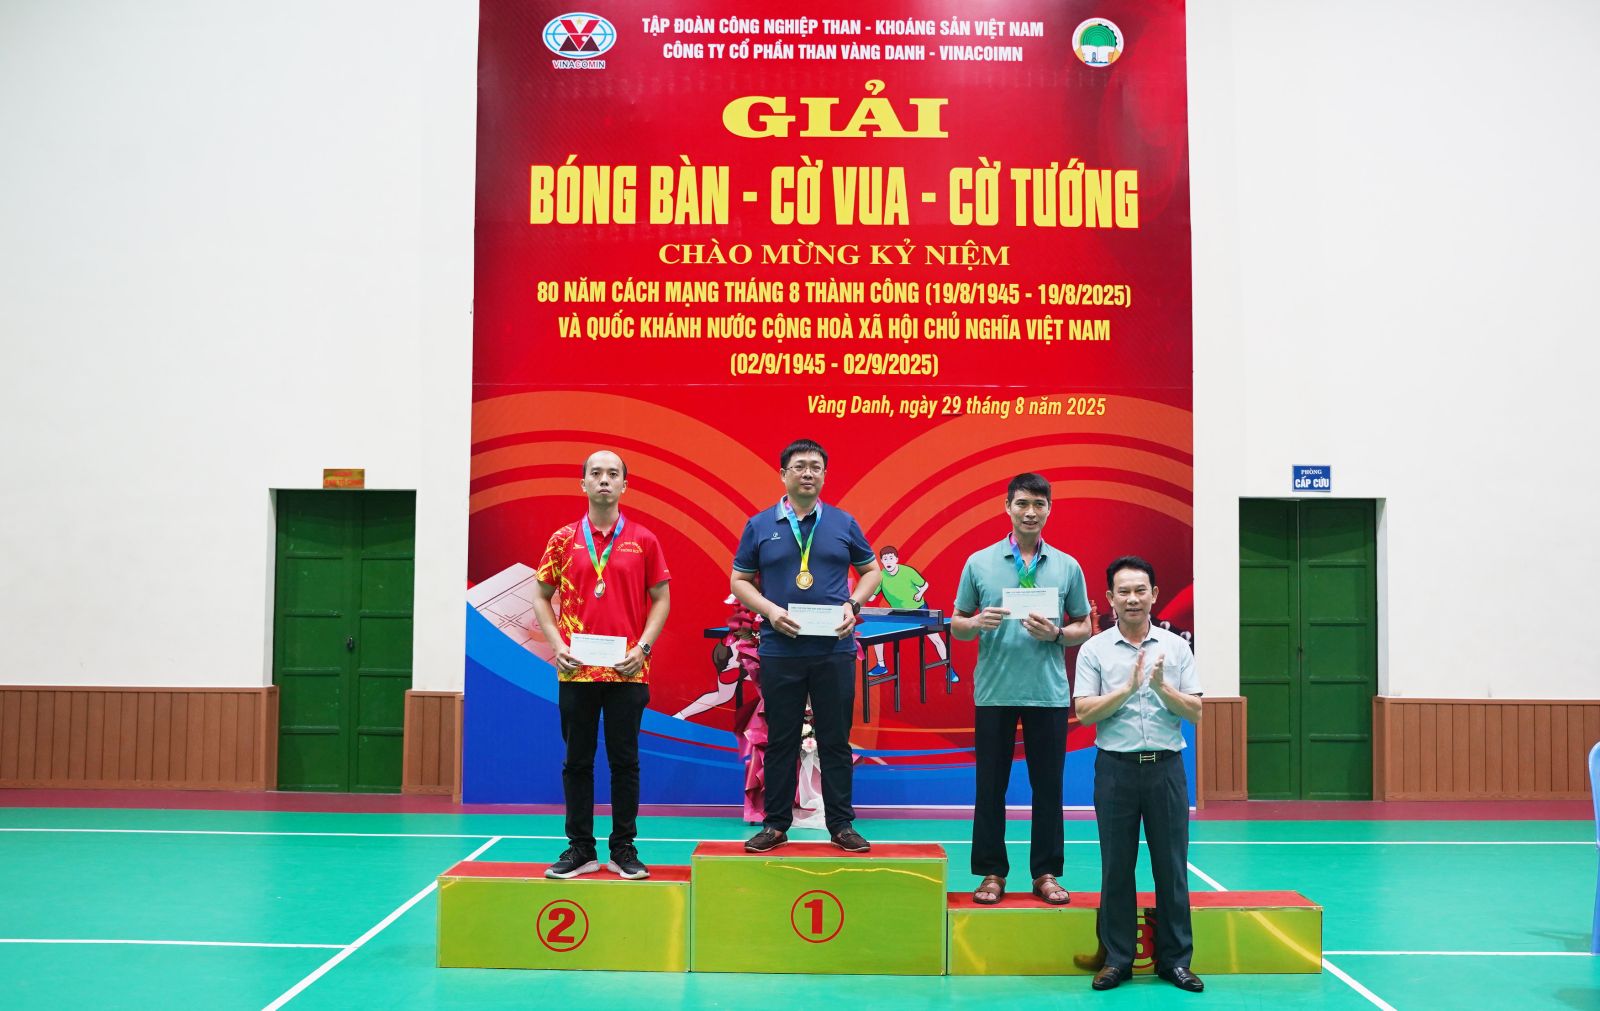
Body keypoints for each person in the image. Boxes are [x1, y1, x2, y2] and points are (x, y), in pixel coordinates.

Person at [731, 438, 881, 854]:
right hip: (781, 648)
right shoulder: (759, 525)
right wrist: (769, 611)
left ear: (825, 475)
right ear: (784, 474)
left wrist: (853, 604)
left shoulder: (843, 523)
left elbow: (871, 572)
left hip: (834, 649)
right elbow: (739, 581)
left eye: (815, 466)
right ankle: (776, 825)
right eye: (799, 466)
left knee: (835, 739)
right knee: (781, 739)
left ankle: (841, 825)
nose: (808, 473)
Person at [952, 473, 1093, 907]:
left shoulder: (1067, 566)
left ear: (1049, 509)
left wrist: (1057, 634)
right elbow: (957, 624)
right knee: (989, 788)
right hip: (994, 692)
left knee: (1048, 788)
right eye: (1022, 504)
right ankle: (992, 872)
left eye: (1038, 504)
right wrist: (976, 623)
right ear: (1007, 507)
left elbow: (1085, 626)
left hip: (1047, 693)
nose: (1030, 512)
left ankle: (1045, 873)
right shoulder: (979, 562)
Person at [529, 450, 670, 880]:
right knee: (577, 761)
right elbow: (540, 596)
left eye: (612, 474)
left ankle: (623, 848)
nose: (604, 480)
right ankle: (581, 849)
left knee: (625, 762)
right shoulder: (562, 540)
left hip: (628, 670)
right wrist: (557, 644)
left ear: (625, 485)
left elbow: (661, 599)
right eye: (596, 473)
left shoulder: (644, 540)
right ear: (583, 484)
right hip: (576, 670)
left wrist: (643, 648)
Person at [1073, 556, 1204, 993]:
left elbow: (1196, 711)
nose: (1133, 598)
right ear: (1110, 598)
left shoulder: (1177, 647)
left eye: (1140, 590)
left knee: (1172, 868)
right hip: (1115, 771)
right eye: (1124, 591)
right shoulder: (1094, 650)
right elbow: (1085, 711)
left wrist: (1163, 688)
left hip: (1166, 770)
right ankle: (1117, 960)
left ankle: (1176, 961)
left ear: (1154, 594)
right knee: (1116, 868)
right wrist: (1127, 689)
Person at [870, 545, 958, 684]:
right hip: (899, 614)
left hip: (920, 611)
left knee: (936, 639)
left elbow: (925, 584)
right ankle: (881, 665)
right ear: (881, 561)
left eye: (891, 558)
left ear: (896, 559)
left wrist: (920, 593)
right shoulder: (880, 577)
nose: (888, 561)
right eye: (885, 559)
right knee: (876, 635)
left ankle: (949, 669)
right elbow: (871, 598)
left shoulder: (908, 571)